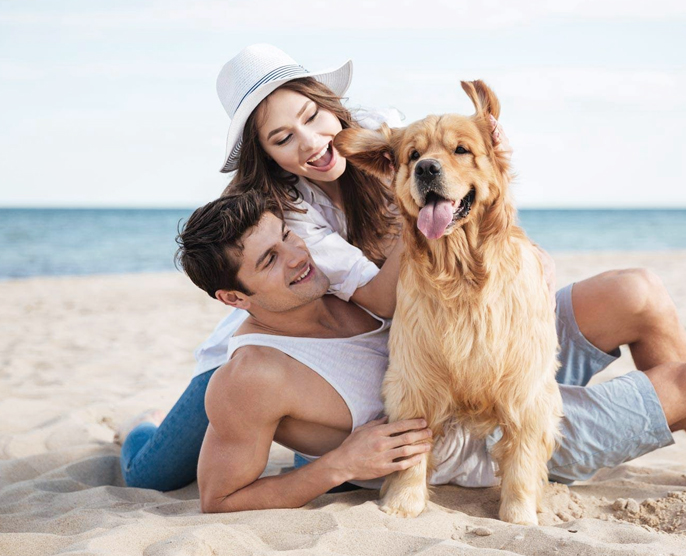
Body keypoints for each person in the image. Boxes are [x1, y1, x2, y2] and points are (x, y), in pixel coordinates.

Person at [174, 192, 686, 513]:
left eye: (288, 237)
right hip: (486, 441)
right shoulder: (252, 375)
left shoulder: (332, 281)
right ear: (234, 300)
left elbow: (445, 242)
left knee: (633, 292)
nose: (296, 259)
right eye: (268, 262)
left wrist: (520, 261)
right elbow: (219, 500)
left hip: (488, 361)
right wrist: (338, 467)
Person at [117, 43, 512, 490]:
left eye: (310, 116)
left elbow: (466, 178)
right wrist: (414, 216)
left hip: (341, 336)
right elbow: (383, 298)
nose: (310, 142)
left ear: (330, 104)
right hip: (277, 336)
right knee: (152, 474)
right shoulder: (287, 211)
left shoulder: (383, 133)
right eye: (282, 138)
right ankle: (141, 425)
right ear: (267, 155)